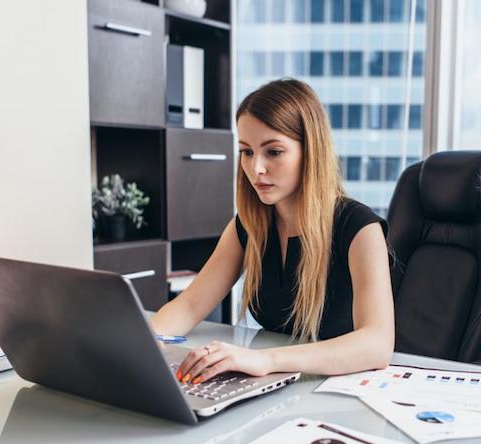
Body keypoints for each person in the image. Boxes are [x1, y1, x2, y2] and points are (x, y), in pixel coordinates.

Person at [150, 78, 394, 384]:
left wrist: (265, 360)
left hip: (339, 389)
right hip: (279, 386)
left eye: (274, 152)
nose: (256, 169)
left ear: (311, 151)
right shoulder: (250, 225)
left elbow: (377, 344)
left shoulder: (360, 228)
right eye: (247, 152)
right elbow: (189, 305)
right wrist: (146, 341)